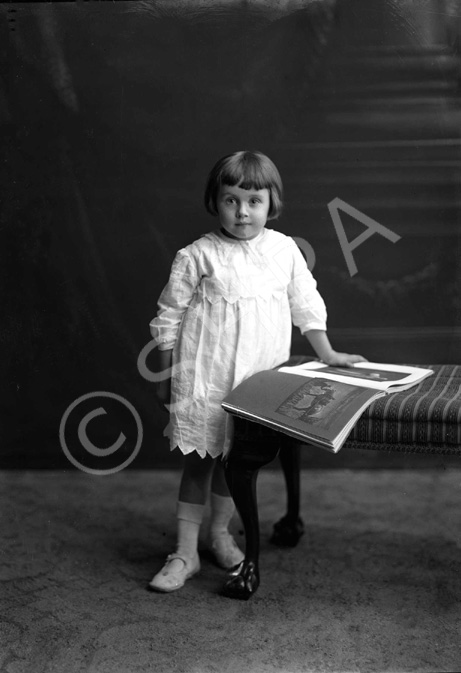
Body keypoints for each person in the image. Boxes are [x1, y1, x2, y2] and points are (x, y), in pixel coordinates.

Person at [148, 150, 366, 593]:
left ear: (272, 204)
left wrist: (329, 352)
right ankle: (186, 552)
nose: (242, 212)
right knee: (199, 463)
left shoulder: (282, 250)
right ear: (216, 201)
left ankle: (219, 534)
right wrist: (166, 376)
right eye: (231, 200)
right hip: (205, 380)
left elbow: (305, 303)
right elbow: (168, 318)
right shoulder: (197, 256)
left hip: (257, 381)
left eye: (254, 201)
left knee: (239, 462)